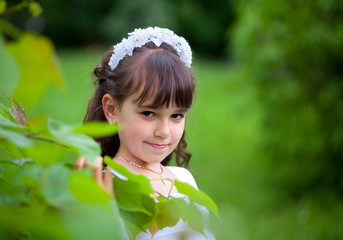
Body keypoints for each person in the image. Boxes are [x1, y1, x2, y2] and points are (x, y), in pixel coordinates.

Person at [75, 27, 215, 240]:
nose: (163, 132)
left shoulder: (184, 179)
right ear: (112, 109)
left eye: (176, 115)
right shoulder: (104, 185)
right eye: (149, 113)